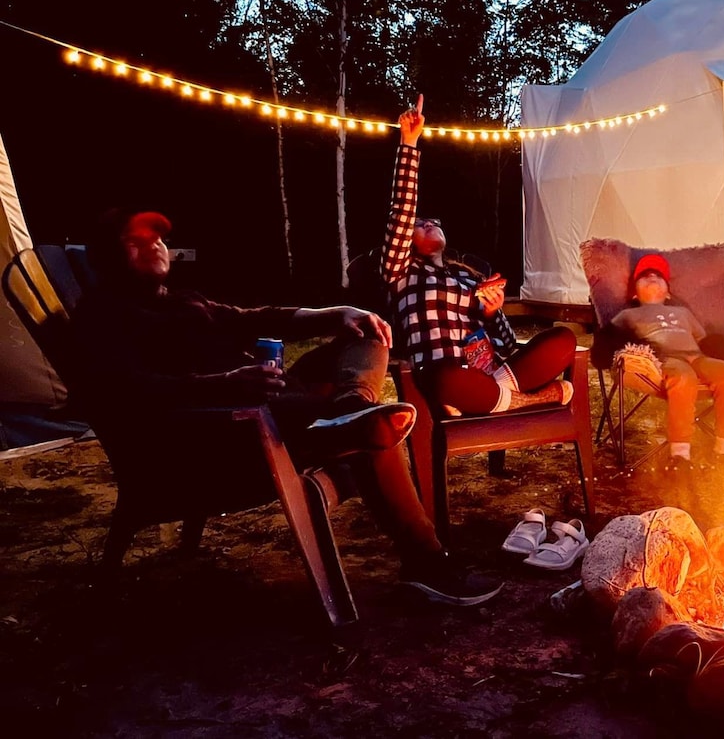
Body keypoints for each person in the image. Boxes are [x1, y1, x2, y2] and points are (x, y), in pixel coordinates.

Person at [71, 207, 502, 606]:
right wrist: (222, 385)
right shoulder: (103, 316)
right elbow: (126, 391)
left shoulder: (185, 301)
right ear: (106, 256)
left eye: (158, 238)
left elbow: (257, 317)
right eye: (136, 241)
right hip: (226, 433)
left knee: (367, 334)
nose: (154, 246)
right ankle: (425, 561)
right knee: (372, 436)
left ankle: (349, 409)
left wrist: (339, 312)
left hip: (273, 405)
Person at [380, 95, 577, 416]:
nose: (428, 223)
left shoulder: (467, 276)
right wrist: (409, 144)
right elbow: (401, 210)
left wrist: (491, 312)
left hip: (489, 375)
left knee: (563, 340)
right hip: (444, 376)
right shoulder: (400, 273)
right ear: (406, 240)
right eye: (420, 224)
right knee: (447, 377)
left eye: (434, 222)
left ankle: (488, 400)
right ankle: (526, 401)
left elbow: (507, 343)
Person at [610, 254, 724, 473]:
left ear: (668, 291)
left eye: (658, 276)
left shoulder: (682, 313)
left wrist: (723, 351)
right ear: (635, 294)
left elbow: (704, 340)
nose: (652, 277)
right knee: (683, 378)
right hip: (666, 359)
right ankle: (680, 454)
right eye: (645, 276)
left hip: (697, 357)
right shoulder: (629, 315)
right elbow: (614, 339)